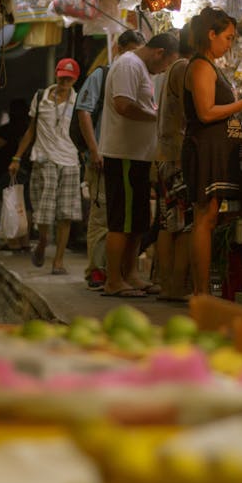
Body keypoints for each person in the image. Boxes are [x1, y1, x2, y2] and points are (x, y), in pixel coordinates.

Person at [182, 7, 242, 295]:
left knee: (209, 217)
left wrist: (240, 102)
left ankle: (202, 290)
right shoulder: (200, 66)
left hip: (215, 150)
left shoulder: (210, 65)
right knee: (204, 219)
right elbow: (205, 112)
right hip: (204, 149)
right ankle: (201, 291)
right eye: (228, 37)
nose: (229, 44)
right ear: (211, 34)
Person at [99, 31, 180, 298]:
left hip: (139, 156)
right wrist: (156, 118)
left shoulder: (140, 68)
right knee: (121, 221)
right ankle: (113, 280)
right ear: (159, 53)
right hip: (123, 155)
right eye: (166, 63)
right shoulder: (128, 65)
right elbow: (123, 105)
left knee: (137, 221)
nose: (164, 70)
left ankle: (130, 274)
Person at [75, 29, 145, 290]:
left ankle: (118, 271)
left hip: (123, 155)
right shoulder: (102, 74)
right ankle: (96, 270)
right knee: (102, 215)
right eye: (131, 52)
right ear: (118, 49)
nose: (134, 58)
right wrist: (95, 151)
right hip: (102, 156)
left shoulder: (135, 76)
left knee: (119, 217)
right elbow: (84, 111)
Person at [9, 58, 82, 274]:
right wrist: (17, 157)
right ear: (56, 75)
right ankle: (42, 241)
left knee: (65, 214)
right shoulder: (41, 97)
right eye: (62, 77)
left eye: (69, 78)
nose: (64, 81)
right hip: (44, 159)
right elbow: (31, 130)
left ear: (75, 79)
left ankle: (58, 261)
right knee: (44, 211)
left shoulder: (78, 101)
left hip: (70, 160)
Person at [155, 22, 195, 301]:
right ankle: (175, 286)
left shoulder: (175, 68)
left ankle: (168, 284)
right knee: (182, 225)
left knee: (169, 223)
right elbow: (192, 111)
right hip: (177, 156)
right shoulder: (183, 68)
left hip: (168, 154)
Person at [0, 98, 32, 248]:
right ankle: (25, 241)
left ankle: (13, 242)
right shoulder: (29, 129)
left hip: (7, 170)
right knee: (25, 206)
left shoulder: (6, 130)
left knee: (9, 204)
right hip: (27, 169)